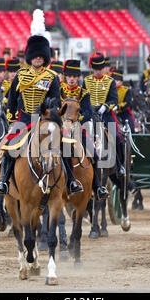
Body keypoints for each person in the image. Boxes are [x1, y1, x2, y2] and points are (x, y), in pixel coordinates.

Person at [0, 32, 83, 196]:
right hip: (24, 119)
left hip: (45, 119)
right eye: (35, 56)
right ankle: (3, 182)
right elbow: (12, 98)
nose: (38, 59)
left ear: (45, 58)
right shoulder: (21, 75)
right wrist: (12, 116)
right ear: (30, 57)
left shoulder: (51, 77)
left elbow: (57, 99)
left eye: (41, 57)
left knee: (65, 145)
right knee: (9, 146)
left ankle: (71, 181)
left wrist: (50, 106)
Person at [61, 58, 109, 200]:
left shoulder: (84, 93)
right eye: (69, 76)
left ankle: (98, 187)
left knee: (93, 154)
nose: (71, 79)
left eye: (74, 76)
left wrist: (76, 120)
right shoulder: (59, 91)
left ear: (78, 77)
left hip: (77, 129)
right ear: (66, 77)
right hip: (60, 130)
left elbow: (88, 112)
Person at [83, 52, 126, 177]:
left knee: (116, 137)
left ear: (103, 68)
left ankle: (120, 165)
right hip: (89, 113)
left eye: (100, 69)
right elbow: (83, 97)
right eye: (95, 69)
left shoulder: (110, 81)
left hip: (105, 114)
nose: (98, 71)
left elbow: (114, 100)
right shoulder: (86, 81)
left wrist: (105, 107)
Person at [112, 68, 136, 133]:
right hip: (111, 112)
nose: (115, 82)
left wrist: (118, 106)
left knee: (131, 128)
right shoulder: (109, 90)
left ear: (121, 82)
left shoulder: (126, 90)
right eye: (114, 80)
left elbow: (128, 102)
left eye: (117, 80)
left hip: (123, 113)